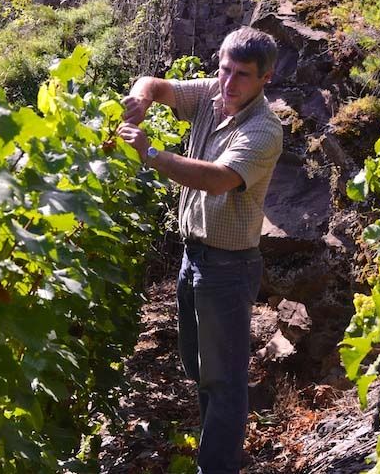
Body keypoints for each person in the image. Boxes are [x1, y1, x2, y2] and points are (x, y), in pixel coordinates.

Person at [117, 26, 283, 474]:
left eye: (242, 76)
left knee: (223, 379)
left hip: (229, 268)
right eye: (225, 70)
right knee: (197, 365)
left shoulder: (264, 130)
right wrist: (140, 98)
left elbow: (217, 179)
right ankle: (221, 446)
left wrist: (152, 155)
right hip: (194, 258)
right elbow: (157, 86)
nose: (229, 84)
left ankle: (220, 464)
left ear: (265, 79)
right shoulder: (213, 93)